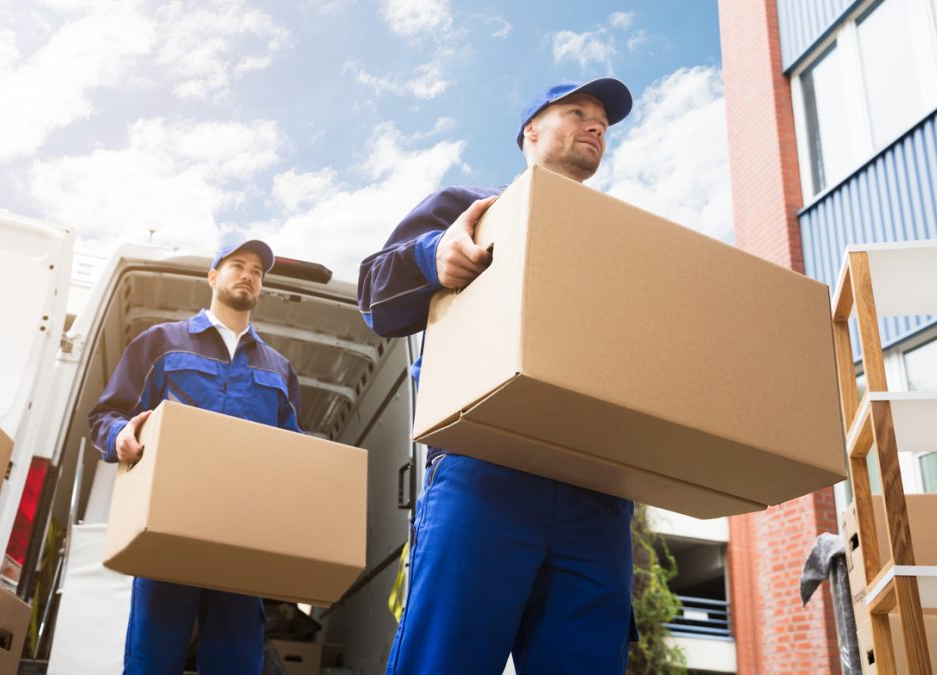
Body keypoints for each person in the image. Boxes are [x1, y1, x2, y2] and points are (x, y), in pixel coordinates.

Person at [358, 78, 637, 674]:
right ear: (530, 130)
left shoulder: (623, 241)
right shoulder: (470, 209)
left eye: (604, 124)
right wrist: (433, 256)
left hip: (599, 490)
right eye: (577, 112)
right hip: (485, 471)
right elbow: (376, 301)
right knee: (445, 661)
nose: (595, 126)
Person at [89, 239, 301, 675]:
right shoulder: (161, 344)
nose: (248, 275)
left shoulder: (279, 368)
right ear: (212, 276)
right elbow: (105, 415)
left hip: (243, 538)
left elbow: (294, 452)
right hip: (167, 526)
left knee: (237, 663)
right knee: (153, 659)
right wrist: (120, 437)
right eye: (238, 265)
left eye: (257, 272)